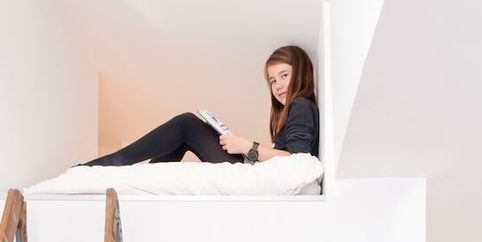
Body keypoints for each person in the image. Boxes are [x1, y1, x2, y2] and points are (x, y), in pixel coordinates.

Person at [82, 45, 318, 167]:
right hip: (254, 166)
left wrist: (248, 147)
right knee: (183, 136)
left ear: (301, 73)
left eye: (284, 75)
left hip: (251, 169)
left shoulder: (301, 105)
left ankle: (110, 163)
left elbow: (297, 159)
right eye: (273, 80)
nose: (277, 85)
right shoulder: (296, 108)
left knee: (186, 124)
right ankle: (140, 178)